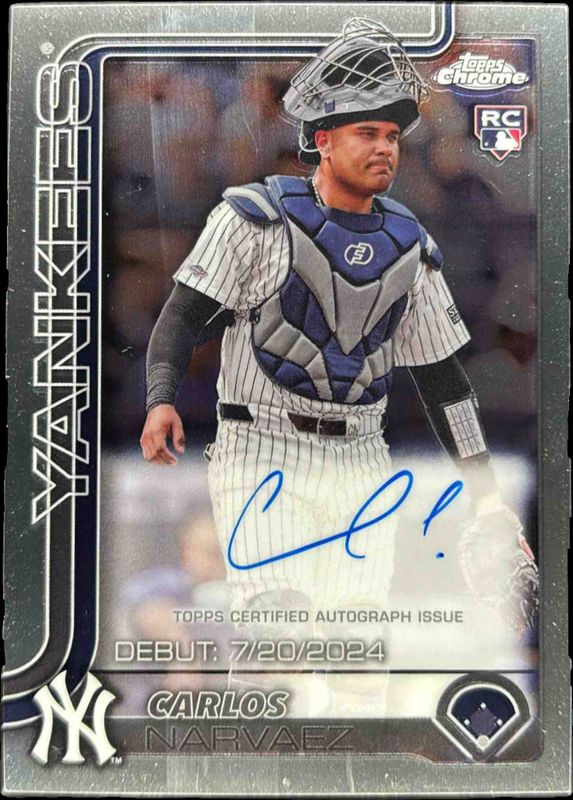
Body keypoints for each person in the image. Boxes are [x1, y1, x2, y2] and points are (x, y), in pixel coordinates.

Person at [140, 18, 537, 713]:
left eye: (392, 136)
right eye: (367, 132)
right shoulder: (254, 217)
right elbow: (180, 316)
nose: (385, 147)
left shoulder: (410, 244)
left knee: (357, 656)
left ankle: (353, 759)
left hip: (359, 452)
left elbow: (443, 379)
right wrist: (161, 397)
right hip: (263, 441)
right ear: (322, 139)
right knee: (279, 631)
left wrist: (485, 496)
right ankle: (254, 757)